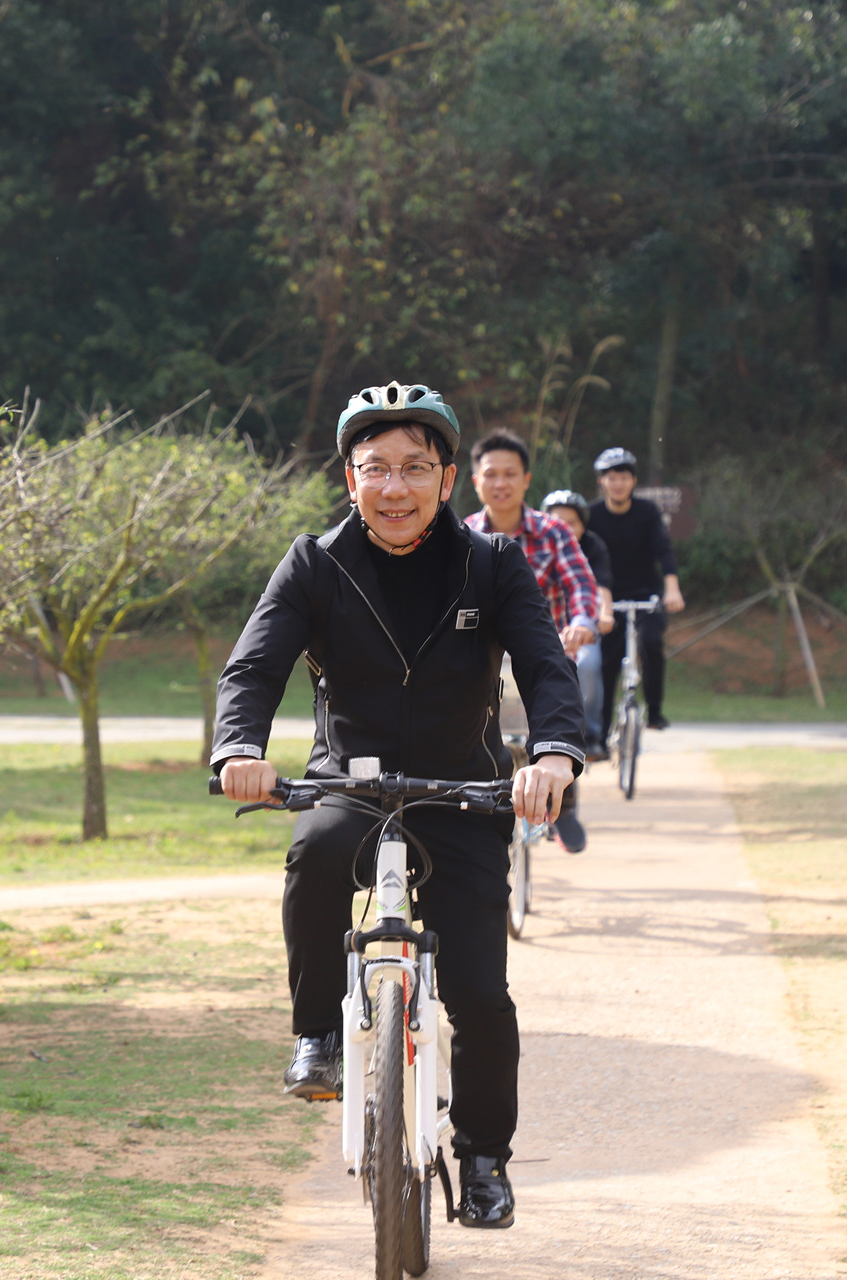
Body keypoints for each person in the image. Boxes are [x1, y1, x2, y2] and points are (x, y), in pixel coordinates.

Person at [212, 381, 587, 1230]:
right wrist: (238, 749)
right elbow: (254, 666)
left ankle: (483, 1158)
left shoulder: (493, 564)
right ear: (350, 479)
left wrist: (554, 755)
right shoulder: (314, 562)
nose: (394, 487)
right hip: (349, 782)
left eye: (415, 468)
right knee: (314, 855)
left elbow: (544, 665)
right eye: (375, 467)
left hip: (463, 793)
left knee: (480, 994)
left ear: (447, 479)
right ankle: (319, 1034)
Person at [464, 430, 599, 854]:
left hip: (545, 654)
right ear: (475, 481)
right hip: (483, 661)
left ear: (526, 480)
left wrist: (581, 622)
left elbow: (580, 584)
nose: (500, 483)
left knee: (560, 695)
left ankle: (565, 800)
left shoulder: (554, 531)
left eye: (510, 474)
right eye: (491, 474)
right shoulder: (463, 535)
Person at [588, 448, 686, 729]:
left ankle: (654, 711)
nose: (618, 483)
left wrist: (672, 588)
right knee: (606, 662)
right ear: (602, 481)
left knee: (651, 642)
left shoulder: (648, 512)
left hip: (646, 595)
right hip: (606, 597)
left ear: (633, 481)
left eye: (624, 477)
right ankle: (600, 735)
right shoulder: (592, 515)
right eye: (612, 478)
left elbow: (663, 550)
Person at [539, 490, 615, 760]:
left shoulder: (592, 546)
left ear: (583, 525)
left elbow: (597, 585)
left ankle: (590, 735)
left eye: (572, 522)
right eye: (558, 521)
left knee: (588, 666)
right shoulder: (533, 545)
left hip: (576, 628)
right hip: (536, 628)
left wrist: (602, 615)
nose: (565, 528)